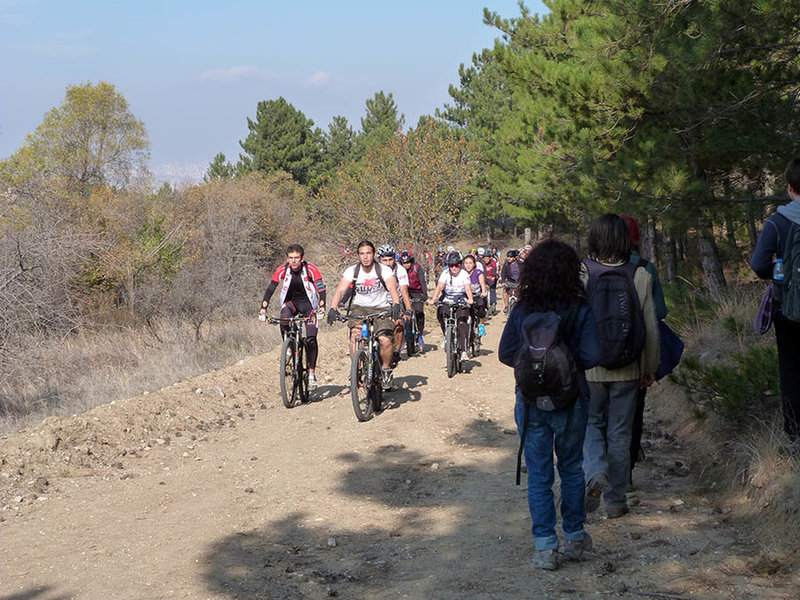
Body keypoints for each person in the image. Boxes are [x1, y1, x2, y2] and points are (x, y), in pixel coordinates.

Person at [498, 239, 601, 570]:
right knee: (571, 468)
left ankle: (545, 547)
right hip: (572, 402)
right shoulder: (579, 308)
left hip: (530, 404)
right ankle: (573, 538)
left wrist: (535, 365)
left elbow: (504, 353)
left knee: (539, 475)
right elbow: (592, 355)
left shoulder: (523, 308)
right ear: (571, 271)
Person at [582, 214, 659, 519]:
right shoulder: (640, 274)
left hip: (591, 368)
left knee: (591, 424)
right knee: (619, 433)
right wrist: (649, 368)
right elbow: (651, 328)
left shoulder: (583, 272)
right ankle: (615, 500)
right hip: (628, 368)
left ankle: (596, 470)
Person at [751, 157, 800, 455]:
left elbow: (758, 264)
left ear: (789, 187)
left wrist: (778, 276)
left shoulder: (778, 221)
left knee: (792, 370)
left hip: (788, 309)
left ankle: (794, 436)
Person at [620, 215, 668, 484]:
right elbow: (660, 311)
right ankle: (626, 472)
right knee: (634, 414)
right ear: (637, 238)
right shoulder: (647, 268)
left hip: (601, 357)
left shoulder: (593, 267)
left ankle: (603, 467)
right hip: (636, 355)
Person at [327, 241, 403, 391]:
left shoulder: (383, 270)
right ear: (358, 256)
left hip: (381, 307)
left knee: (385, 340)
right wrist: (333, 308)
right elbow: (340, 290)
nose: (365, 257)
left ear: (374, 254)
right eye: (362, 254)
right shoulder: (352, 271)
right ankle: (357, 369)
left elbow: (392, 287)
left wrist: (395, 304)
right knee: (355, 336)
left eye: (368, 253)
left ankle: (386, 370)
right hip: (359, 308)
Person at [260, 244, 326, 390]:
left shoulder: (311, 269)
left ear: (302, 258)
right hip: (291, 303)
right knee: (284, 317)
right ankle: (288, 344)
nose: (294, 261)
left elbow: (321, 289)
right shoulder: (283, 269)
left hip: (309, 306)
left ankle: (311, 374)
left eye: (297, 258)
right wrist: (263, 308)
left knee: (310, 338)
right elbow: (271, 288)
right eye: (291, 258)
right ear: (287, 258)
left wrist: (322, 306)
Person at [428, 251, 474, 361]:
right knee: (441, 313)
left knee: (462, 322)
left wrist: (470, 299)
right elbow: (439, 287)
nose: (454, 268)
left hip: (461, 298)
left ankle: (464, 351)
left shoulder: (464, 274)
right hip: (447, 298)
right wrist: (434, 299)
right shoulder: (445, 274)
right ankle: (446, 336)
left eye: (456, 265)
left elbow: (467, 288)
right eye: (451, 265)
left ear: (460, 264)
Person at [377, 244, 414, 368]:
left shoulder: (400, 269)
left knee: (399, 323)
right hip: (379, 302)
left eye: (390, 259)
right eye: (384, 260)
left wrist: (408, 309)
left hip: (396, 301)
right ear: (379, 260)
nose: (388, 263)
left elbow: (404, 291)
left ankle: (396, 351)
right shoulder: (374, 269)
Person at [399, 250, 428, 346]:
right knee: (402, 314)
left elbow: (422, 281)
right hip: (404, 292)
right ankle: (402, 337)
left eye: (408, 262)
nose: (406, 265)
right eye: (404, 263)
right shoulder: (398, 269)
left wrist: (424, 294)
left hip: (416, 292)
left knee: (419, 312)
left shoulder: (417, 268)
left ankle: (419, 334)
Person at [463, 254, 488, 338]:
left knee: (480, 309)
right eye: (466, 263)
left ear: (474, 264)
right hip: (465, 296)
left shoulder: (478, 272)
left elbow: (482, 283)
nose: (468, 265)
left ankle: (481, 325)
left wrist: (483, 292)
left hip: (477, 295)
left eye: (470, 263)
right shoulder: (461, 273)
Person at [499, 249, 521, 313]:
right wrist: (503, 281)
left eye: (510, 257)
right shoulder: (506, 265)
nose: (509, 258)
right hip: (510, 282)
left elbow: (525, 272)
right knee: (505, 290)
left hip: (519, 282)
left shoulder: (521, 264)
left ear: (514, 258)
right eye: (508, 257)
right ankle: (506, 306)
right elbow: (503, 273)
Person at [480, 247, 500, 314]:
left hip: (491, 278)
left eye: (487, 258)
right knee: (483, 292)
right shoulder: (481, 263)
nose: (486, 260)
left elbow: (494, 269)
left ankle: (493, 303)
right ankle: (484, 305)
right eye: (484, 258)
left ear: (490, 258)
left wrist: (494, 276)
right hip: (484, 278)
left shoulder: (493, 262)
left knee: (492, 290)